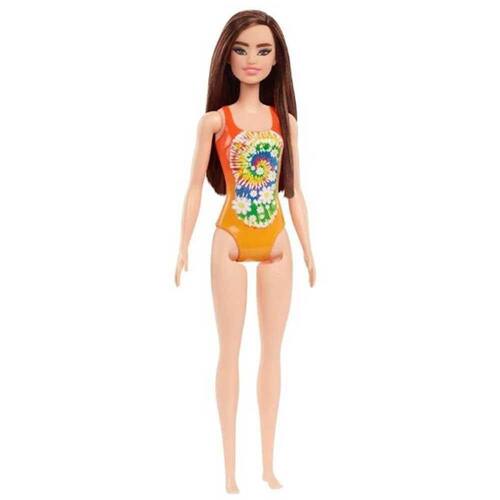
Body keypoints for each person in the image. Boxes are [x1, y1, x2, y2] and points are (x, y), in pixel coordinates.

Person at [174, 9, 316, 493]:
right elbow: (194, 186)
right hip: (231, 235)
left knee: (272, 353)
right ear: (226, 58)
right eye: (241, 49)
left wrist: (308, 246)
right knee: (229, 351)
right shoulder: (215, 121)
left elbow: (294, 191)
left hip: (276, 237)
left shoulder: (285, 122)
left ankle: (268, 465)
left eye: (263, 50)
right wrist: (183, 243)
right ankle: (230, 471)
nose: (251, 59)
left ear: (277, 60)